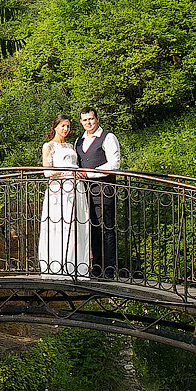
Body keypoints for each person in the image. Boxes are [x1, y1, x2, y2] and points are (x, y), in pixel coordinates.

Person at [38, 114, 89, 277]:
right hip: (59, 188)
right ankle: (57, 265)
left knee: (76, 224)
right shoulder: (49, 146)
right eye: (63, 126)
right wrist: (69, 172)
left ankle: (76, 266)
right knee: (59, 224)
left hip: (76, 187)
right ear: (55, 127)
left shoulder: (71, 146)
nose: (66, 129)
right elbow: (47, 172)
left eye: (68, 126)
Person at [76, 107, 124, 277]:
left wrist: (89, 173)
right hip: (83, 191)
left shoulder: (108, 137)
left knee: (105, 227)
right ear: (81, 122)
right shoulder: (78, 141)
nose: (88, 122)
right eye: (84, 120)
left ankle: (109, 269)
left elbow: (114, 164)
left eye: (91, 119)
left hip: (104, 188)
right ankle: (96, 268)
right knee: (91, 227)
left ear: (97, 119)